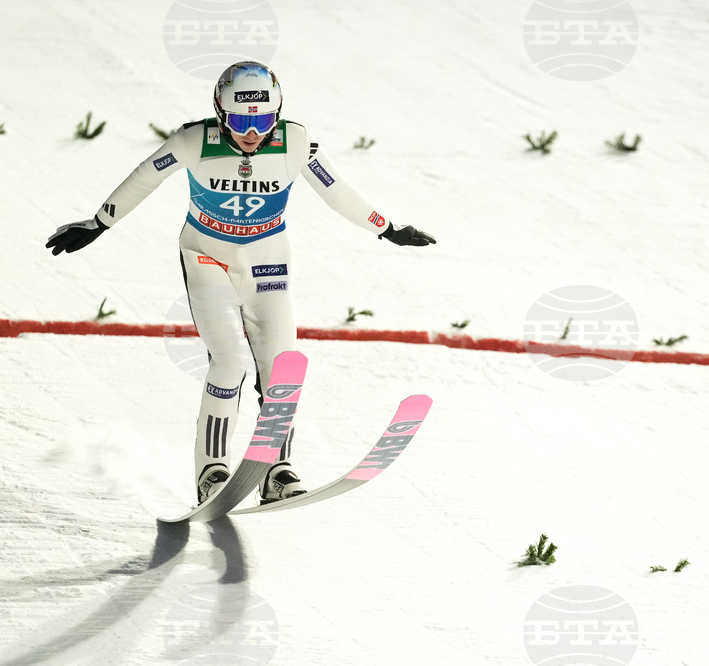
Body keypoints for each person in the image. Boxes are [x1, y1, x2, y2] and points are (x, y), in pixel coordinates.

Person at [46, 61, 435, 506]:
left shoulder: (296, 141)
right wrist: (100, 223)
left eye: (263, 120)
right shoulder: (194, 140)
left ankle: (276, 470)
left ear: (278, 113)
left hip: (267, 259)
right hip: (206, 256)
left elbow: (336, 190)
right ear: (219, 112)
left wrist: (387, 228)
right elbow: (145, 177)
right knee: (229, 362)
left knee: (282, 366)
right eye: (241, 120)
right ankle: (212, 471)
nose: (253, 132)